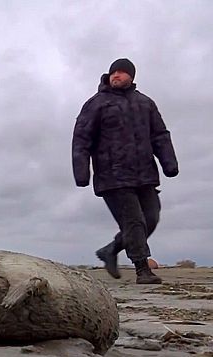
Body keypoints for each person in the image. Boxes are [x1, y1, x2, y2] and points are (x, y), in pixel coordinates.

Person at [73, 58, 178, 284]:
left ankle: (111, 250)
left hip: (145, 174)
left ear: (131, 76)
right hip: (113, 175)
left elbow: (160, 135)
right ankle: (142, 269)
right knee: (134, 221)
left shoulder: (145, 103)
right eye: (113, 72)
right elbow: (81, 139)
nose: (116, 76)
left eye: (121, 72)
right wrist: (82, 172)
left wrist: (169, 163)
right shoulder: (96, 104)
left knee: (151, 218)